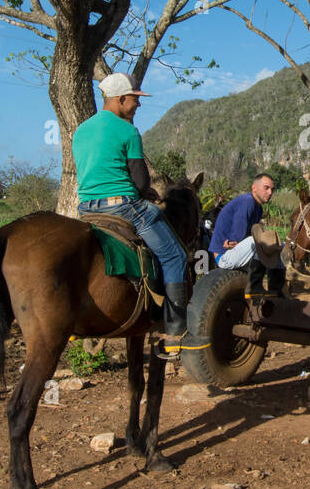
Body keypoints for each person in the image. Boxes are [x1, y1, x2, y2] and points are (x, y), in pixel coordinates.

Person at [73, 72, 190, 361]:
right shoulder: (128, 131)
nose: (138, 105)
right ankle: (175, 332)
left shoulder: (81, 130)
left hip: (87, 209)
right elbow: (138, 184)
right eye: (135, 99)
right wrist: (147, 191)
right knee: (176, 256)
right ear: (121, 99)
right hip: (125, 207)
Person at [209, 173, 286, 302]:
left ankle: (276, 290)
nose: (270, 192)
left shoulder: (258, 208)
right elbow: (236, 240)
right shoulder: (247, 203)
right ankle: (254, 288)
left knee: (280, 245)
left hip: (238, 253)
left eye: (272, 189)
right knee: (255, 242)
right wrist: (233, 244)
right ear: (254, 188)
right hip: (224, 256)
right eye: (266, 188)